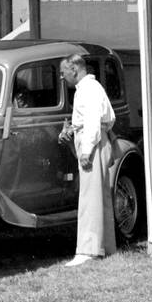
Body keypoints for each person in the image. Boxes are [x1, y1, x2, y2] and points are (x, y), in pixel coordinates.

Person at [59, 53, 116, 267]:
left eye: (64, 72)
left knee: (89, 198)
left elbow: (92, 120)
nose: (63, 77)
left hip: (92, 142)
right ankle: (105, 247)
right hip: (96, 140)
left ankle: (88, 250)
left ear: (74, 69)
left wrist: (87, 150)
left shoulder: (88, 90)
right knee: (100, 197)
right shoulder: (91, 88)